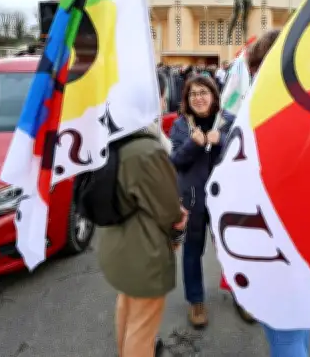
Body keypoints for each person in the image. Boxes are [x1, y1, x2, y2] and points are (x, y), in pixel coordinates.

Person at [98, 71, 187, 357]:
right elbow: (168, 207)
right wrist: (179, 218)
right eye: (161, 95)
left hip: (118, 243)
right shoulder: (147, 148)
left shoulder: (114, 135)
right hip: (145, 249)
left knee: (127, 307)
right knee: (144, 325)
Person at [247, 29, 310, 356]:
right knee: (297, 329)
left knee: (286, 336)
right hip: (305, 246)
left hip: (279, 245)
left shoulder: (272, 117)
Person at [169, 75, 233, 329]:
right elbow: (175, 161)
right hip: (193, 200)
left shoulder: (227, 121)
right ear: (187, 98)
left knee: (230, 249)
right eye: (193, 93)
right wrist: (192, 145)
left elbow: (240, 155)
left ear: (214, 96)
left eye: (203, 92)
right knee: (192, 251)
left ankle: (242, 294)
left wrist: (222, 141)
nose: (198, 98)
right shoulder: (180, 126)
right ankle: (196, 301)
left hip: (224, 199)